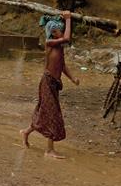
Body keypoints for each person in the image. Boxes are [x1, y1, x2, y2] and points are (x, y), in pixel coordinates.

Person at [21, 11, 79, 158]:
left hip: (53, 83)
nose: (61, 33)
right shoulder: (50, 43)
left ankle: (26, 132)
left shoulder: (59, 47)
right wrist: (68, 19)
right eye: (59, 30)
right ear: (53, 32)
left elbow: (62, 65)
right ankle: (49, 150)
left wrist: (72, 78)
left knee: (44, 112)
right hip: (47, 82)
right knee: (52, 114)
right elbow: (67, 38)